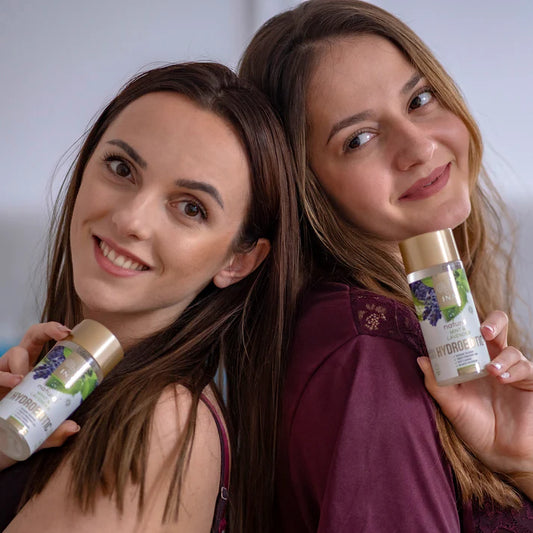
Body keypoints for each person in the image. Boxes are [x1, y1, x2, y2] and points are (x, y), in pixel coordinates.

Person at [239, 1, 533, 531]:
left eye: (419, 100)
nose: (419, 147)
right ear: (305, 188)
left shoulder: (413, 324)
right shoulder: (369, 355)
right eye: (359, 139)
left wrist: (523, 462)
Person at [0, 62, 301, 532]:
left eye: (190, 208)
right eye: (121, 168)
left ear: (238, 261)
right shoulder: (60, 387)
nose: (131, 220)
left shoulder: (163, 424)